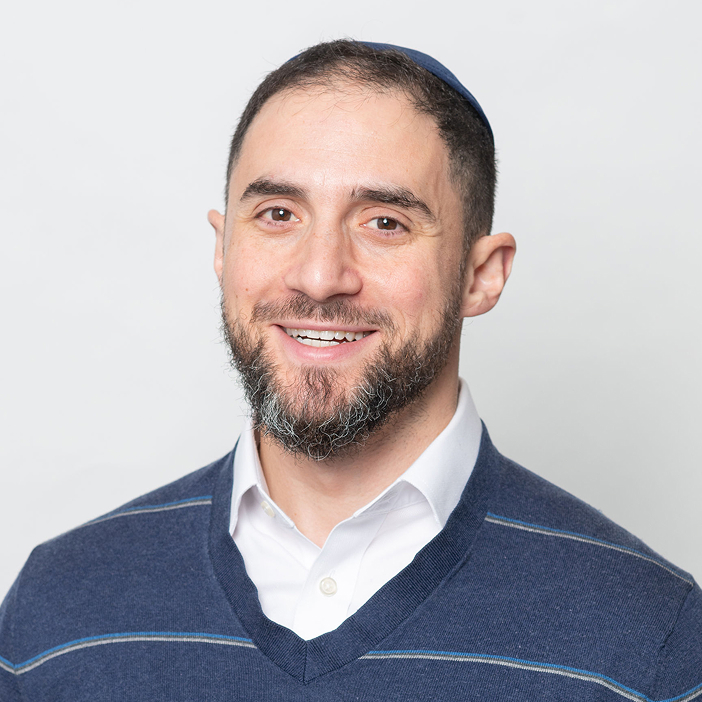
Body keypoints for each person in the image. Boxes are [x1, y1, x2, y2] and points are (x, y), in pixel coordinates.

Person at [1, 39, 700, 701]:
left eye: (384, 222)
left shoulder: (652, 641)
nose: (319, 275)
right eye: (278, 213)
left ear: (481, 275)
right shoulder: (55, 616)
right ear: (223, 248)